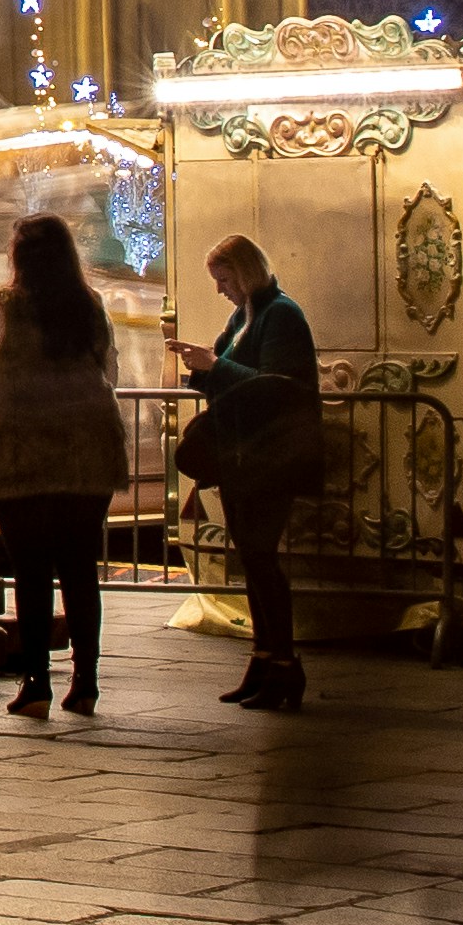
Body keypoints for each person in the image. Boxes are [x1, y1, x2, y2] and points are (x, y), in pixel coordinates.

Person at [0, 215, 130, 719]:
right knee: (81, 570)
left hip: (19, 452)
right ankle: (87, 681)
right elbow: (111, 371)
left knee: (31, 572)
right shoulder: (91, 304)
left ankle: (35, 682)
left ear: (19, 256)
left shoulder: (2, 307)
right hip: (87, 449)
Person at [173, 231, 323, 712]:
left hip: (268, 456)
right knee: (253, 561)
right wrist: (204, 366)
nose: (220, 289)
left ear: (245, 272)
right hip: (243, 455)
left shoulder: (280, 314)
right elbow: (232, 374)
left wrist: (214, 365)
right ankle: (264, 660)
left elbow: (278, 387)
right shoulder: (245, 316)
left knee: (262, 559)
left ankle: (282, 663)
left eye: (224, 278)